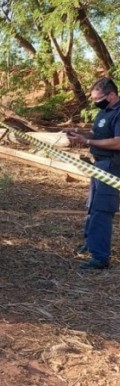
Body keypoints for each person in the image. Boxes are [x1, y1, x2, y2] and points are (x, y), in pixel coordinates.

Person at [66, 77, 120, 270]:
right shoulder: (104, 112)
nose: (96, 103)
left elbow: (117, 142)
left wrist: (88, 142)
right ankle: (90, 243)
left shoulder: (119, 113)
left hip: (112, 167)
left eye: (98, 99)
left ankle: (100, 257)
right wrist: (81, 134)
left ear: (111, 95)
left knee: (102, 210)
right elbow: (98, 136)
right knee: (92, 207)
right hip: (98, 166)